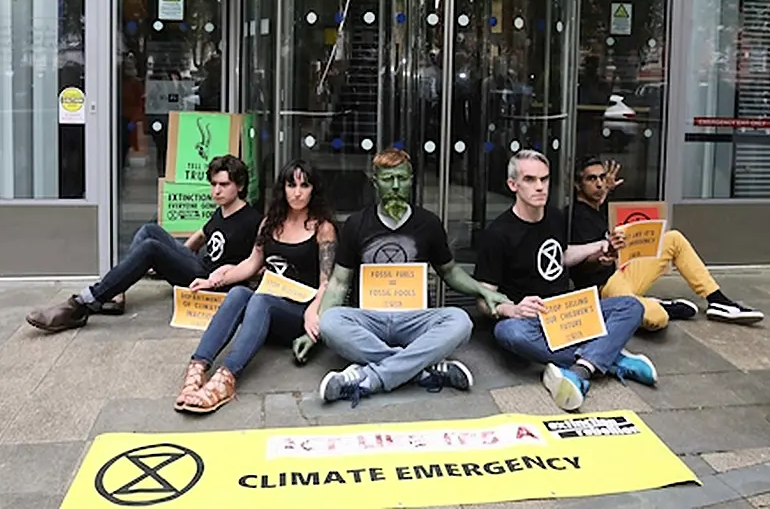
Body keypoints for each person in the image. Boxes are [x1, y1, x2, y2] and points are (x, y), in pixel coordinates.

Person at [293, 148, 508, 406]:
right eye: (387, 179)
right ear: (375, 182)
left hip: (414, 321)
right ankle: (421, 369)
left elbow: (449, 270)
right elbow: (339, 283)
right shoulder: (356, 224)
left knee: (460, 321)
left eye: (402, 179)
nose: (395, 186)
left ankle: (367, 376)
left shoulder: (428, 223)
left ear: (411, 179)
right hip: (370, 319)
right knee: (331, 321)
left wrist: (482, 291)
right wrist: (315, 332)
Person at [475, 149, 657, 412]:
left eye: (545, 179)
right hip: (532, 319)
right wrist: (511, 309)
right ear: (513, 185)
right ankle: (609, 358)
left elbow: (559, 256)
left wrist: (601, 246)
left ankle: (582, 369)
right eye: (530, 180)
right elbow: (483, 296)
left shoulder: (555, 217)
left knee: (632, 307)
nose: (540, 187)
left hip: (569, 310)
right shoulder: (498, 234)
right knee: (508, 333)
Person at [26, 155, 262, 333]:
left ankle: (83, 304)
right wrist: (178, 256)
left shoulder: (252, 220)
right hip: (196, 266)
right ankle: (117, 291)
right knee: (150, 229)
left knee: (151, 248)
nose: (216, 191)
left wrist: (222, 274)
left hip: (212, 282)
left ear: (239, 186)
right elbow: (201, 235)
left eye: (223, 185)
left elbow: (259, 264)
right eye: (213, 184)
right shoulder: (222, 212)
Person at [173, 160, 337, 413]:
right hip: (266, 306)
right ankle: (198, 367)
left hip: (298, 313)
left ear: (314, 190)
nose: (297, 192)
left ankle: (226, 378)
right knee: (240, 292)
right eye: (291, 185)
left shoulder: (322, 228)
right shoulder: (270, 223)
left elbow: (327, 281)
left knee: (260, 299)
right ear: (282, 188)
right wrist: (212, 281)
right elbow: (251, 264)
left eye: (304, 185)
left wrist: (312, 312)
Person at [567, 157, 764, 330]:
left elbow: (598, 200)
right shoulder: (575, 216)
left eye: (602, 177)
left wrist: (607, 191)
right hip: (604, 289)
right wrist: (603, 258)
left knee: (673, 239)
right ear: (578, 185)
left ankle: (718, 301)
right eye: (591, 179)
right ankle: (657, 306)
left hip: (621, 273)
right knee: (656, 318)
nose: (600, 184)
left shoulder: (596, 206)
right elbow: (579, 263)